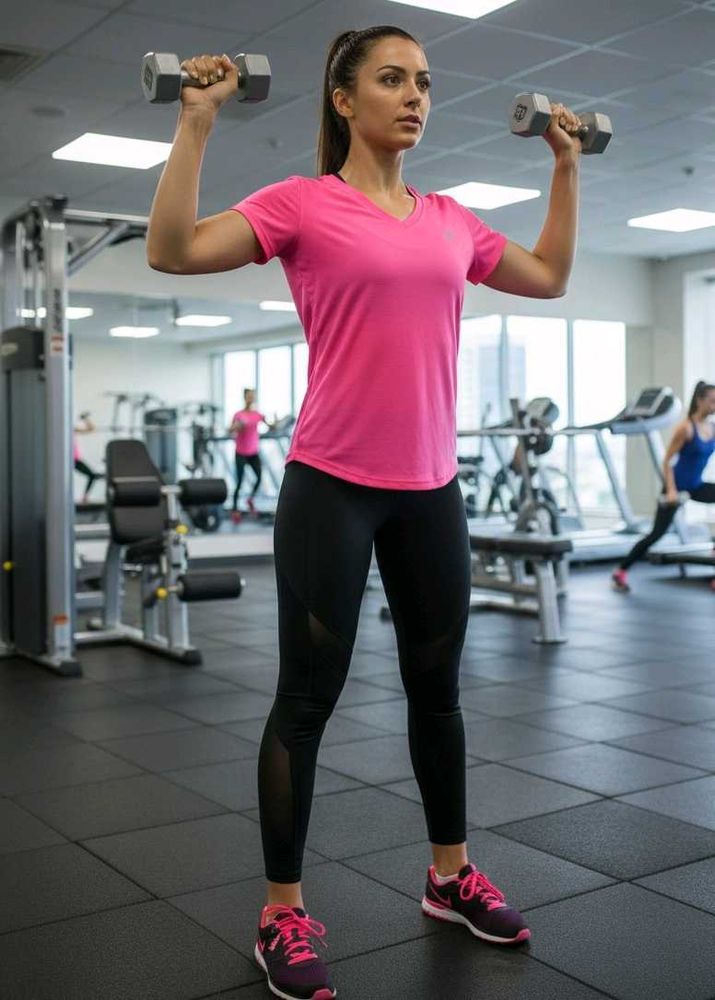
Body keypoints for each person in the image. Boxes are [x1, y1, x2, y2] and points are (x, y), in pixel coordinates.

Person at [147, 25, 583, 1000]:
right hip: (330, 486)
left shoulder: (452, 220)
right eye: (391, 79)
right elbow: (171, 250)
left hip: (431, 489)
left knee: (439, 694)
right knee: (306, 700)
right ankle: (281, 912)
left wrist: (564, 168)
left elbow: (550, 275)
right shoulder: (302, 206)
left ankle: (447, 876)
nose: (413, 95)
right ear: (343, 100)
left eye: (423, 82)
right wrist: (196, 121)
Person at [612, 380, 715, 592]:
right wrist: (670, 490)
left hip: (695, 486)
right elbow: (667, 461)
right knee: (656, 534)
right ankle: (621, 571)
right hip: (675, 486)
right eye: (712, 401)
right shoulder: (685, 428)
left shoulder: (712, 428)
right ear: (700, 400)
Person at [228, 387, 275, 521]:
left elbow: (271, 426)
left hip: (253, 452)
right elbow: (230, 429)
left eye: (252, 395)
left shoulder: (257, 414)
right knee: (239, 482)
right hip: (241, 453)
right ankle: (235, 510)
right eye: (249, 395)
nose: (251, 398)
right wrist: (238, 426)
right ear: (245, 397)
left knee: (259, 478)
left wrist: (275, 422)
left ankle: (250, 499)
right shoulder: (239, 415)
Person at [73, 412, 103, 502]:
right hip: (68, 460)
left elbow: (91, 429)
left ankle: (85, 497)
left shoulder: (71, 429)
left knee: (92, 475)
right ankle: (85, 497)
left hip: (75, 460)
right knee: (92, 475)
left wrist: (85, 419)